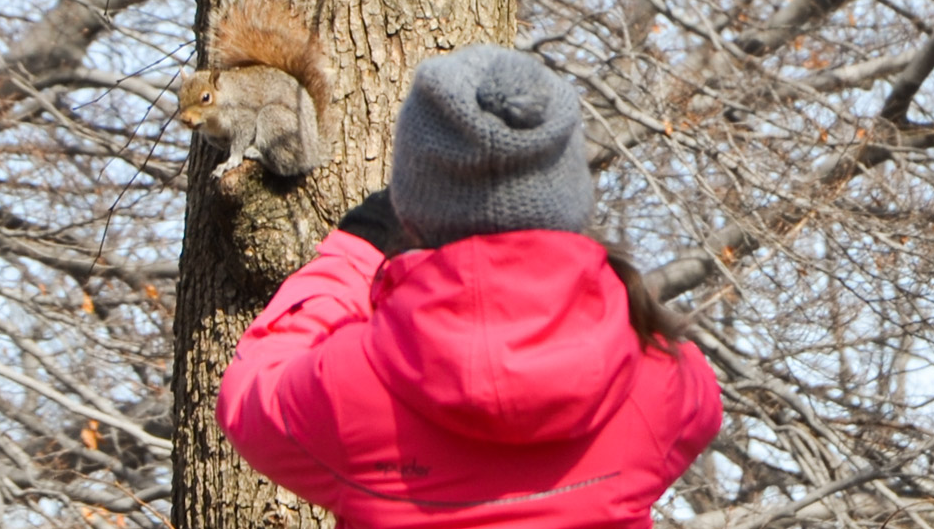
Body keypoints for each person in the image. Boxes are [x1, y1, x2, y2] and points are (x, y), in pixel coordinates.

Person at [216, 44, 722, 528]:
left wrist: (353, 251)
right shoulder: (664, 381)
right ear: (568, 196)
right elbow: (700, 409)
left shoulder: (348, 386)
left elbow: (247, 396)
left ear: (411, 205)